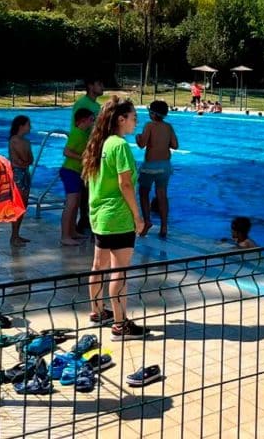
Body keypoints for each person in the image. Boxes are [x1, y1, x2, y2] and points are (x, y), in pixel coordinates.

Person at [82, 96, 149, 338]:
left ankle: (97, 312)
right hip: (118, 217)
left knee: (98, 266)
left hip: (99, 215)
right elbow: (126, 184)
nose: (135, 123)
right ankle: (121, 325)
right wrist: (138, 217)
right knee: (119, 270)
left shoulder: (99, 143)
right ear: (121, 119)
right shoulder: (119, 146)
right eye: (133, 118)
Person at [135, 100, 178, 238]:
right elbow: (175, 145)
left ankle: (147, 221)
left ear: (152, 114)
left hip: (150, 166)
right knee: (162, 195)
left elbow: (142, 144)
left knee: (143, 193)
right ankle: (164, 226)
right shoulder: (168, 127)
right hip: (165, 166)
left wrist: (138, 137)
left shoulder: (149, 126)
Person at [59, 108, 95, 246]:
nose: (92, 123)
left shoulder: (83, 134)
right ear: (82, 120)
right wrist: (83, 159)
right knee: (71, 203)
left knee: (76, 203)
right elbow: (66, 152)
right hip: (70, 171)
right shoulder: (77, 134)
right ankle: (65, 235)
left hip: (77, 172)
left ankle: (72, 231)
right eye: (91, 120)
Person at [73, 77, 104, 235]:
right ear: (90, 85)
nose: (102, 86)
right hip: (85, 152)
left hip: (94, 151)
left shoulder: (97, 106)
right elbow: (77, 129)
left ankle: (89, 219)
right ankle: (83, 219)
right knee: (84, 188)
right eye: (99, 83)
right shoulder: (82, 104)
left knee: (92, 187)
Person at [8, 115, 34, 246]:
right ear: (21, 126)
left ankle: (17, 234)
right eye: (28, 124)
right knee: (18, 204)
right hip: (18, 173)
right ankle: (14, 236)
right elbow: (24, 158)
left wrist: (25, 160)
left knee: (24, 205)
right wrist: (25, 160)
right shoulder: (15, 140)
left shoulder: (26, 142)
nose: (31, 127)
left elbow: (30, 160)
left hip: (24, 172)